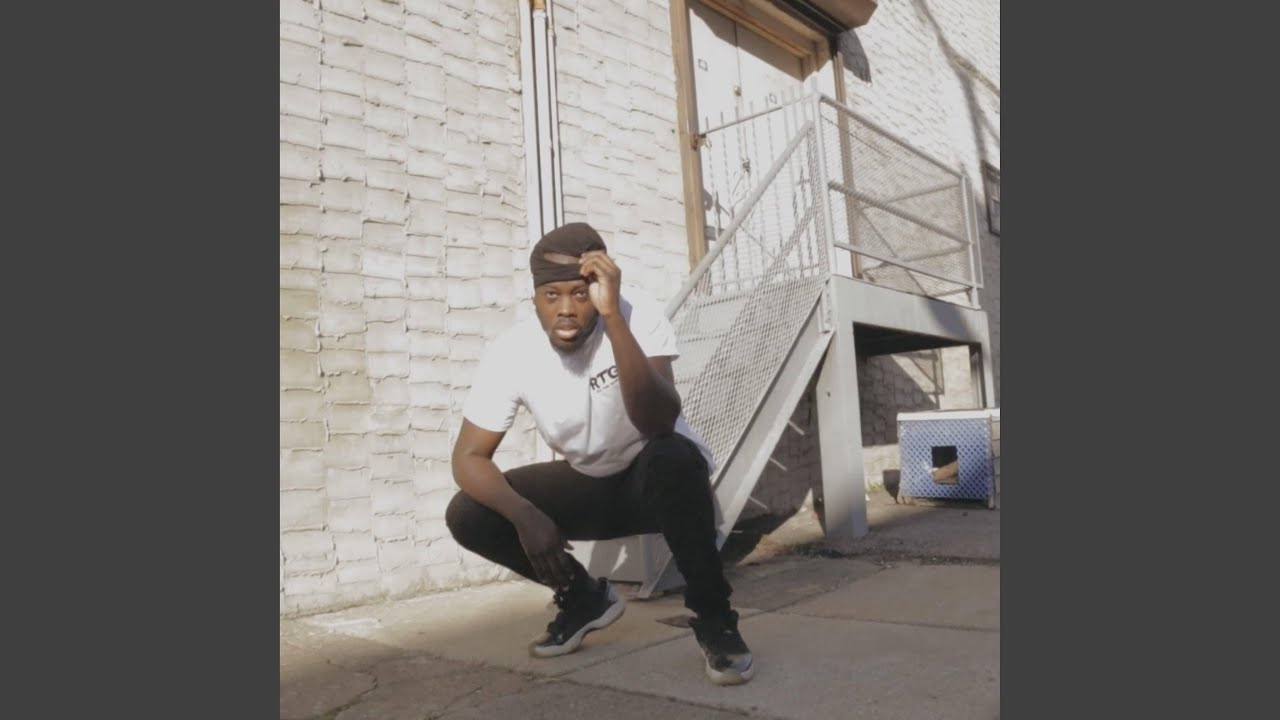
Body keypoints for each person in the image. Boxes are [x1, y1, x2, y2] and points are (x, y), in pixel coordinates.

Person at [445, 222, 754, 685]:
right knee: (469, 513)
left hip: (657, 481)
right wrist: (525, 515)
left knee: (673, 455)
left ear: (601, 289)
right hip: (592, 485)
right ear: (535, 298)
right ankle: (583, 598)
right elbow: (469, 456)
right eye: (552, 296)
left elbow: (657, 421)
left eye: (580, 294)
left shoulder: (636, 313)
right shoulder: (511, 351)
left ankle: (716, 620)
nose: (566, 309)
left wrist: (613, 319)